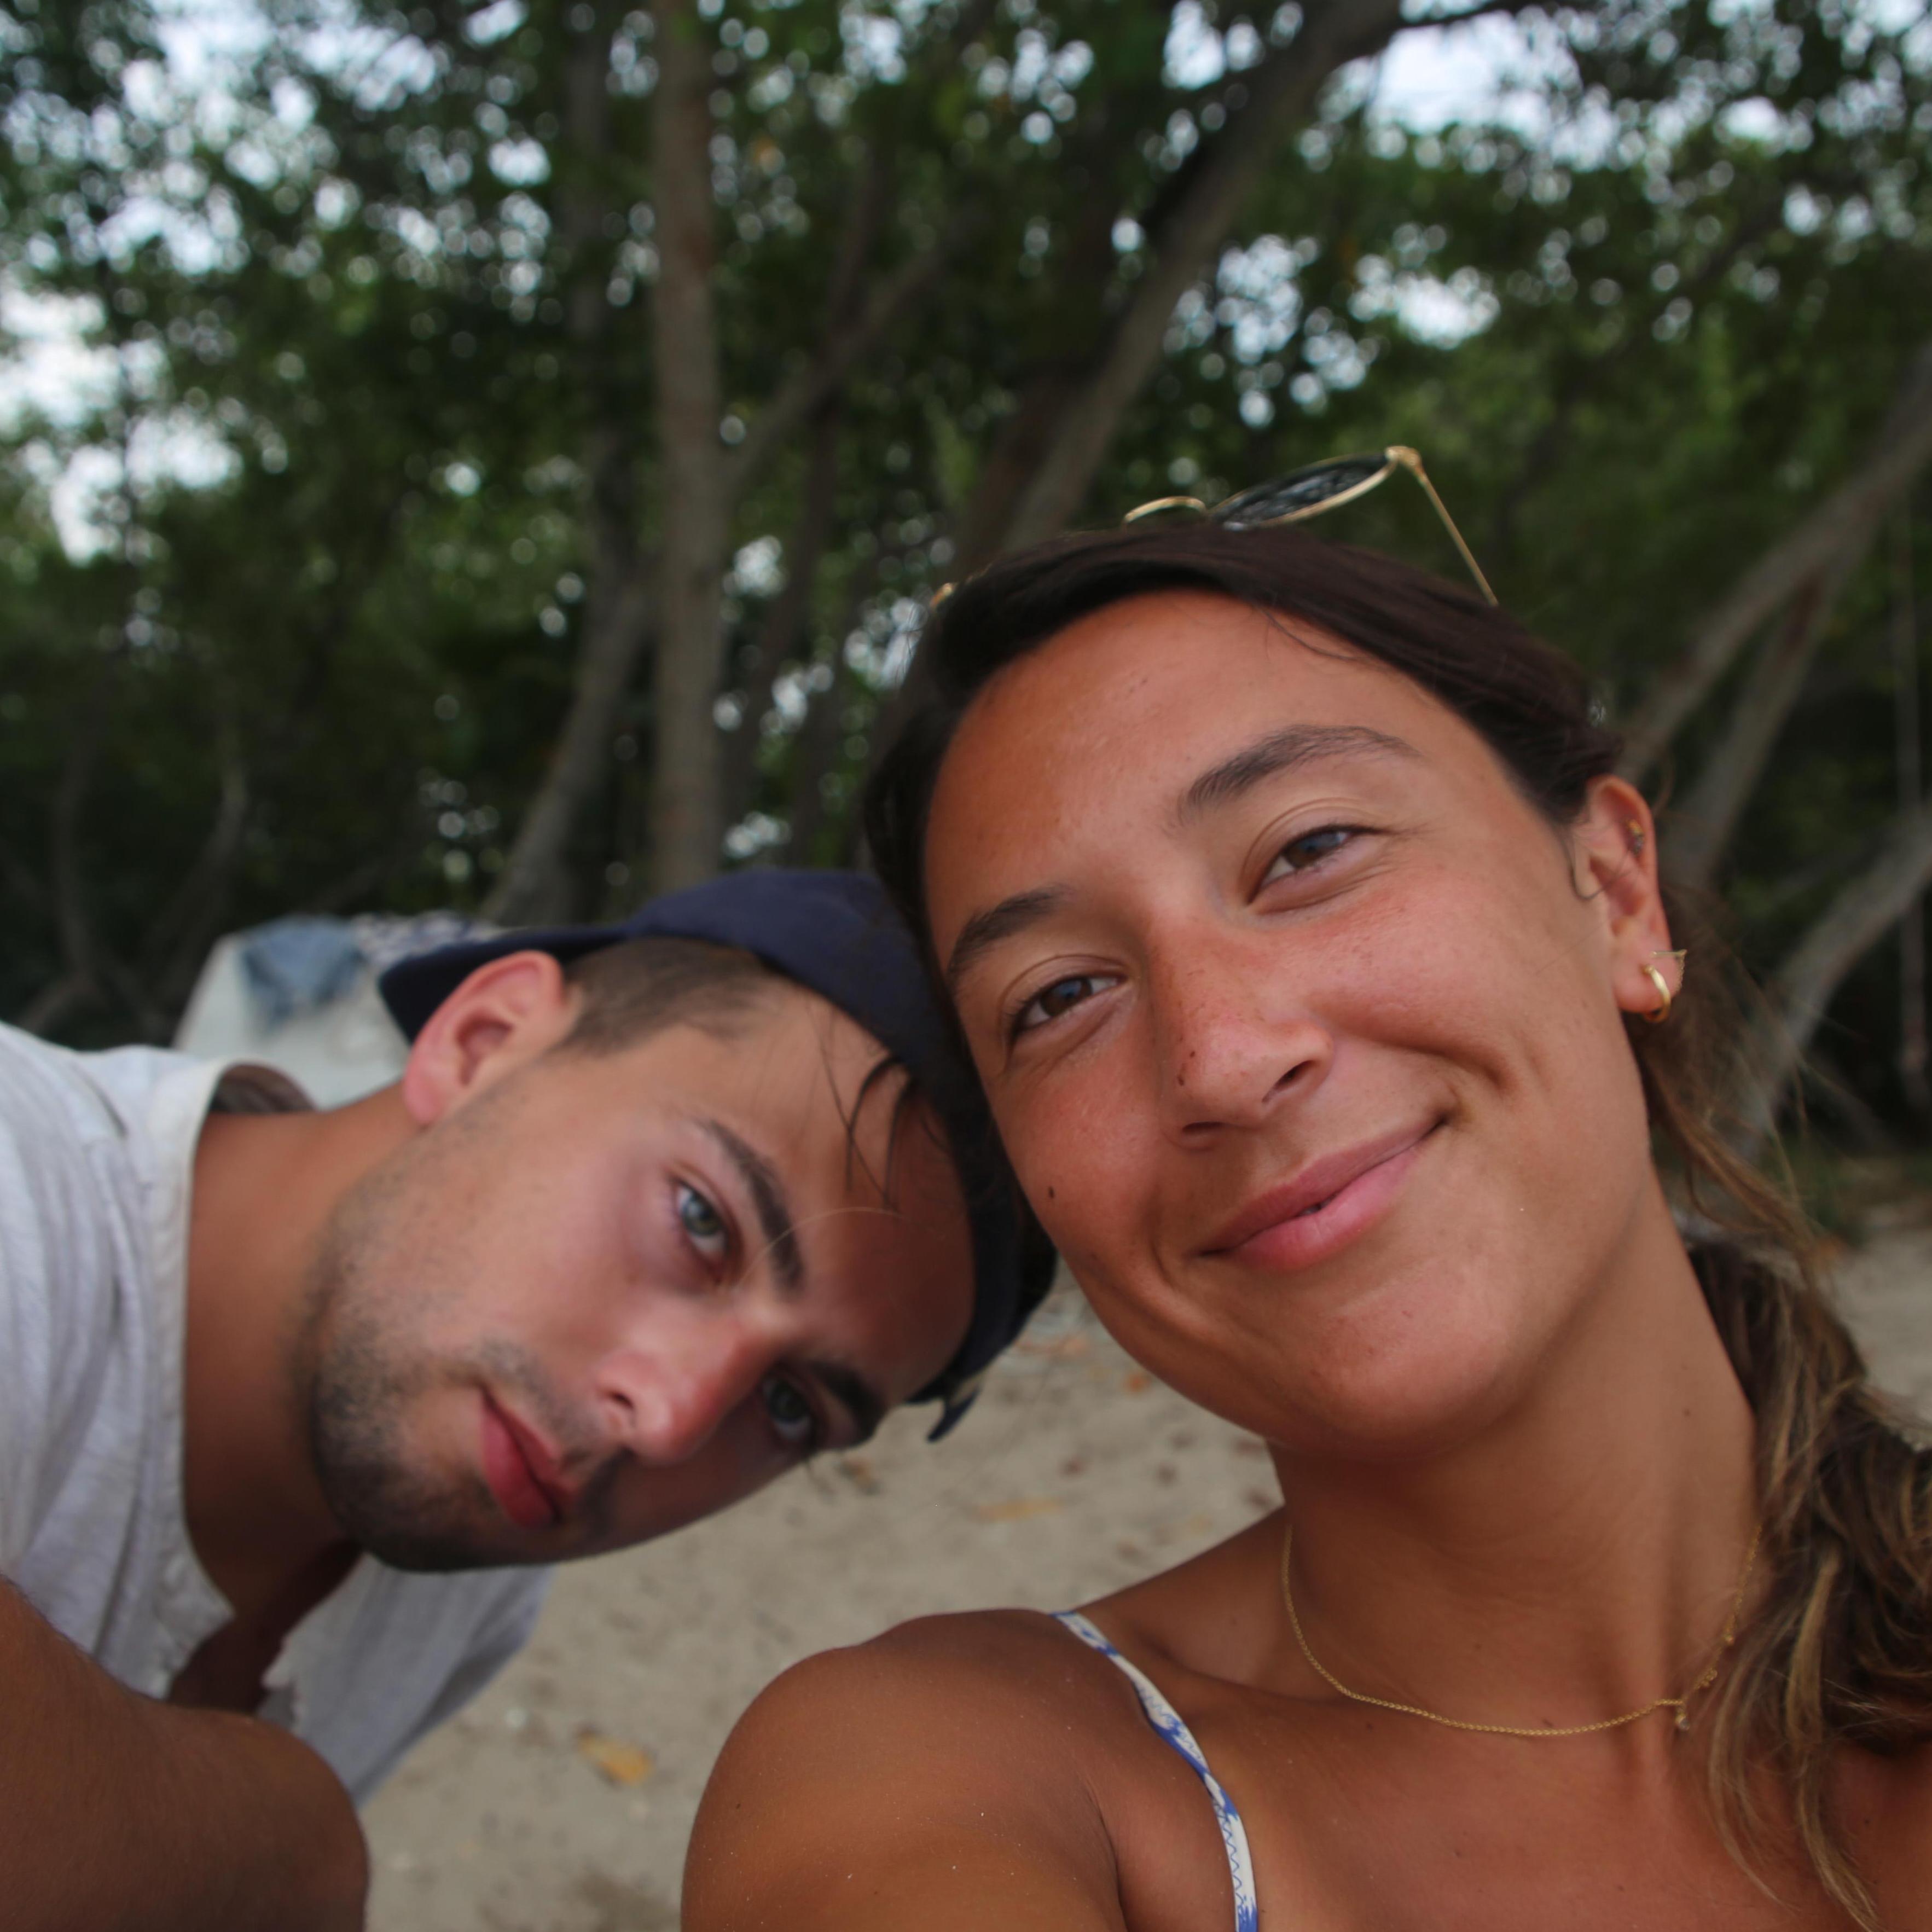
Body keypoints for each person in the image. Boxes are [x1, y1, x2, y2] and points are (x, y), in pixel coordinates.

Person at [686, 520, 1932, 1931]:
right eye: (1057, 997)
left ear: (1614, 891)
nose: (1217, 1056)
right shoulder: (959, 1773)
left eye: (1308, 849)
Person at [0, 868, 1051, 1932]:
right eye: (700, 1217)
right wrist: (296, 1843)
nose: (672, 1418)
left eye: (788, 1405)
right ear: (481, 1038)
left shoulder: (471, 1569)